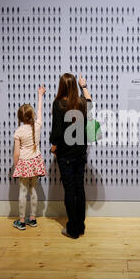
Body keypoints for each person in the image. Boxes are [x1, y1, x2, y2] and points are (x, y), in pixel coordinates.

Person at [50, 73, 92, 239]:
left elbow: (57, 131)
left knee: (70, 190)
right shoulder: (81, 102)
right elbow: (90, 102)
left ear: (61, 86)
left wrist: (54, 145)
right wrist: (84, 86)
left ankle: (72, 229)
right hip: (80, 152)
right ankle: (80, 226)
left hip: (65, 154)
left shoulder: (58, 104)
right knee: (79, 189)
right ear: (74, 85)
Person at [12, 85, 47, 230]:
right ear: (32, 116)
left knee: (23, 192)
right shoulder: (37, 126)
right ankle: (32, 219)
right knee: (33, 191)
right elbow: (40, 111)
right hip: (35, 162)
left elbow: (16, 153)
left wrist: (16, 167)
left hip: (24, 163)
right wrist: (40, 95)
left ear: (20, 118)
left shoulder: (19, 131)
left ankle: (21, 221)